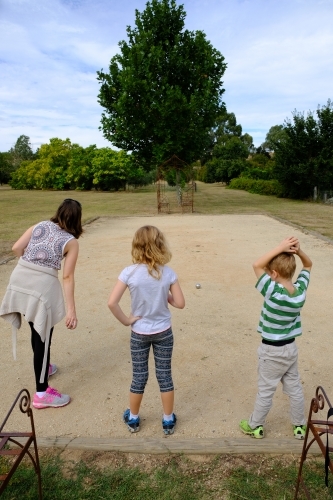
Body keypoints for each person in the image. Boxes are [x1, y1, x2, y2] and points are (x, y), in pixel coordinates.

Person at [0, 199, 82, 409]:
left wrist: (30, 266)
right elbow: (68, 277)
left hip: (19, 280)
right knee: (43, 337)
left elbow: (17, 248)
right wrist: (71, 310)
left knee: (35, 331)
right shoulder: (71, 241)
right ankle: (41, 393)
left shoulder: (40, 225)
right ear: (77, 218)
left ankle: (43, 368)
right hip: (41, 288)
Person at [108, 225, 185, 435]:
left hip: (139, 332)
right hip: (163, 332)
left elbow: (112, 303)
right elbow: (180, 303)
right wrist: (165, 296)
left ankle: (133, 418)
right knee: (164, 375)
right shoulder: (168, 273)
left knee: (139, 376)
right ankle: (168, 420)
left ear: (137, 245)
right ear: (160, 244)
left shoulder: (129, 272)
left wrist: (127, 320)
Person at [239, 236, 312, 440]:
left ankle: (255, 425)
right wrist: (298, 252)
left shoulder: (272, 291)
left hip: (271, 351)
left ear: (273, 273)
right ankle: (299, 426)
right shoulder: (300, 292)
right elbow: (309, 265)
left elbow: (256, 264)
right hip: (290, 349)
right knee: (295, 388)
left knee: (266, 389)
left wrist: (280, 247)